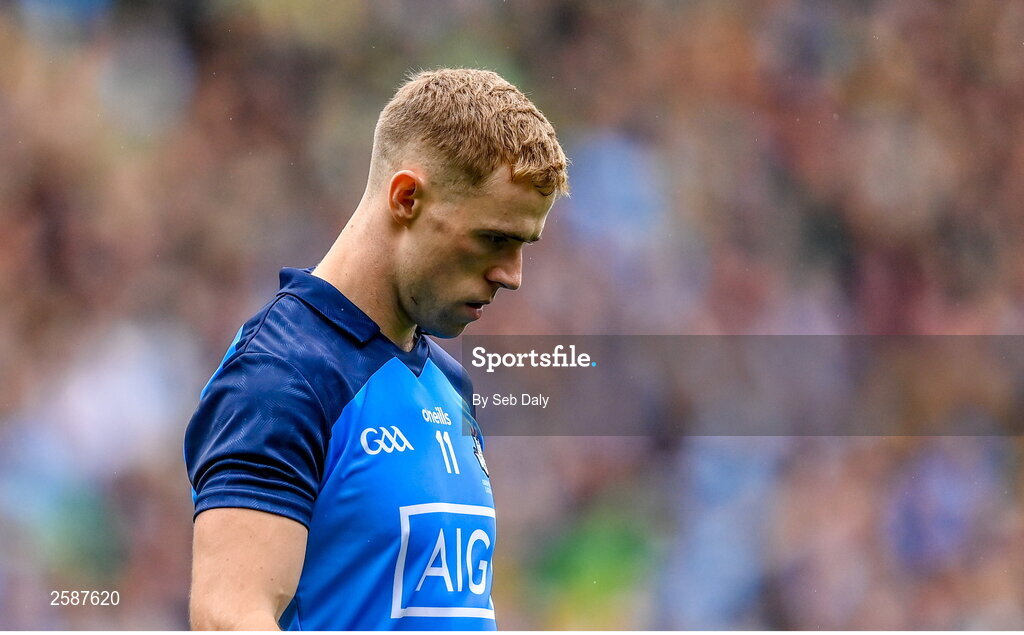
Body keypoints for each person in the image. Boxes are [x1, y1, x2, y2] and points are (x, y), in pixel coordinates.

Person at [183, 68, 569, 630]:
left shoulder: (447, 382)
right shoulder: (281, 376)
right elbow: (228, 617)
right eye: (495, 239)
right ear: (407, 197)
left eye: (524, 245)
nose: (512, 275)